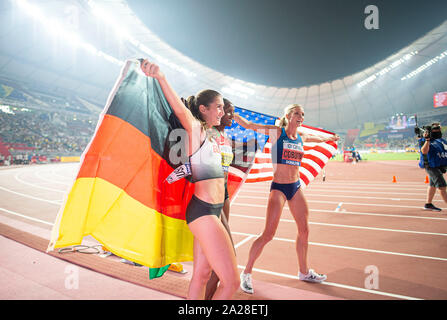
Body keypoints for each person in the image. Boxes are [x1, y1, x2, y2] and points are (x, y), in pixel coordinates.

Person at [140, 59, 239, 300]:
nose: (222, 112)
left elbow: (192, 167)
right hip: (203, 212)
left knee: (202, 276)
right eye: (218, 107)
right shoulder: (196, 130)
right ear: (203, 109)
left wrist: (179, 173)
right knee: (232, 282)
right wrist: (161, 77)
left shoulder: (213, 137)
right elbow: (179, 109)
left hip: (213, 210)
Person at [235, 103, 339, 294]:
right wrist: (232, 114)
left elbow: (317, 137)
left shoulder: (302, 136)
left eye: (303, 114)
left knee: (304, 230)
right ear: (288, 115)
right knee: (268, 234)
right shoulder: (277, 132)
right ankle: (246, 273)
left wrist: (329, 138)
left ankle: (304, 272)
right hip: (279, 189)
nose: (301, 117)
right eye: (297, 113)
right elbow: (249, 125)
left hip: (295, 187)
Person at [204, 98, 237, 300]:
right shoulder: (208, 134)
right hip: (210, 197)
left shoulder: (225, 137)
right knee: (226, 258)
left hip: (223, 194)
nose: (233, 116)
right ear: (219, 112)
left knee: (212, 262)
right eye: (229, 112)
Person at [418, 122, 447, 212]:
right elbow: (424, 151)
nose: (438, 131)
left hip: (438, 165)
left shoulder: (440, 140)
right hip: (431, 166)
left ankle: (428, 204)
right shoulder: (425, 140)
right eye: (436, 129)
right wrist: (427, 140)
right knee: (442, 186)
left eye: (439, 129)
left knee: (432, 185)